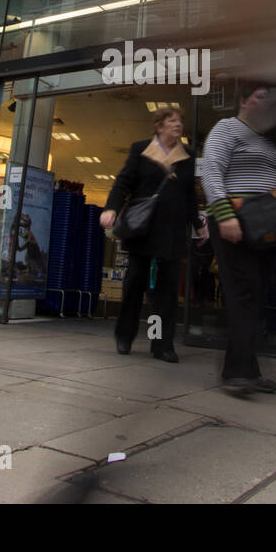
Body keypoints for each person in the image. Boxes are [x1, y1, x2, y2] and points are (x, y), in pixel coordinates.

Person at [200, 84, 276, 394]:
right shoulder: (228, 128)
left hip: (265, 223)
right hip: (234, 218)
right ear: (243, 100)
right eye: (261, 95)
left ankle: (248, 370)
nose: (268, 102)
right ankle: (236, 372)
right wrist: (224, 215)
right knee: (243, 293)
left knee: (256, 296)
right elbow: (211, 171)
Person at [101, 107, 204, 362]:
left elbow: (190, 195)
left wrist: (198, 224)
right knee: (134, 284)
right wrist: (111, 208)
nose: (178, 124)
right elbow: (123, 182)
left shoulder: (188, 155)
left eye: (180, 120)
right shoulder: (141, 149)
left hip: (173, 230)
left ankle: (162, 345)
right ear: (159, 126)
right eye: (171, 120)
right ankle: (125, 335)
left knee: (167, 292)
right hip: (143, 228)